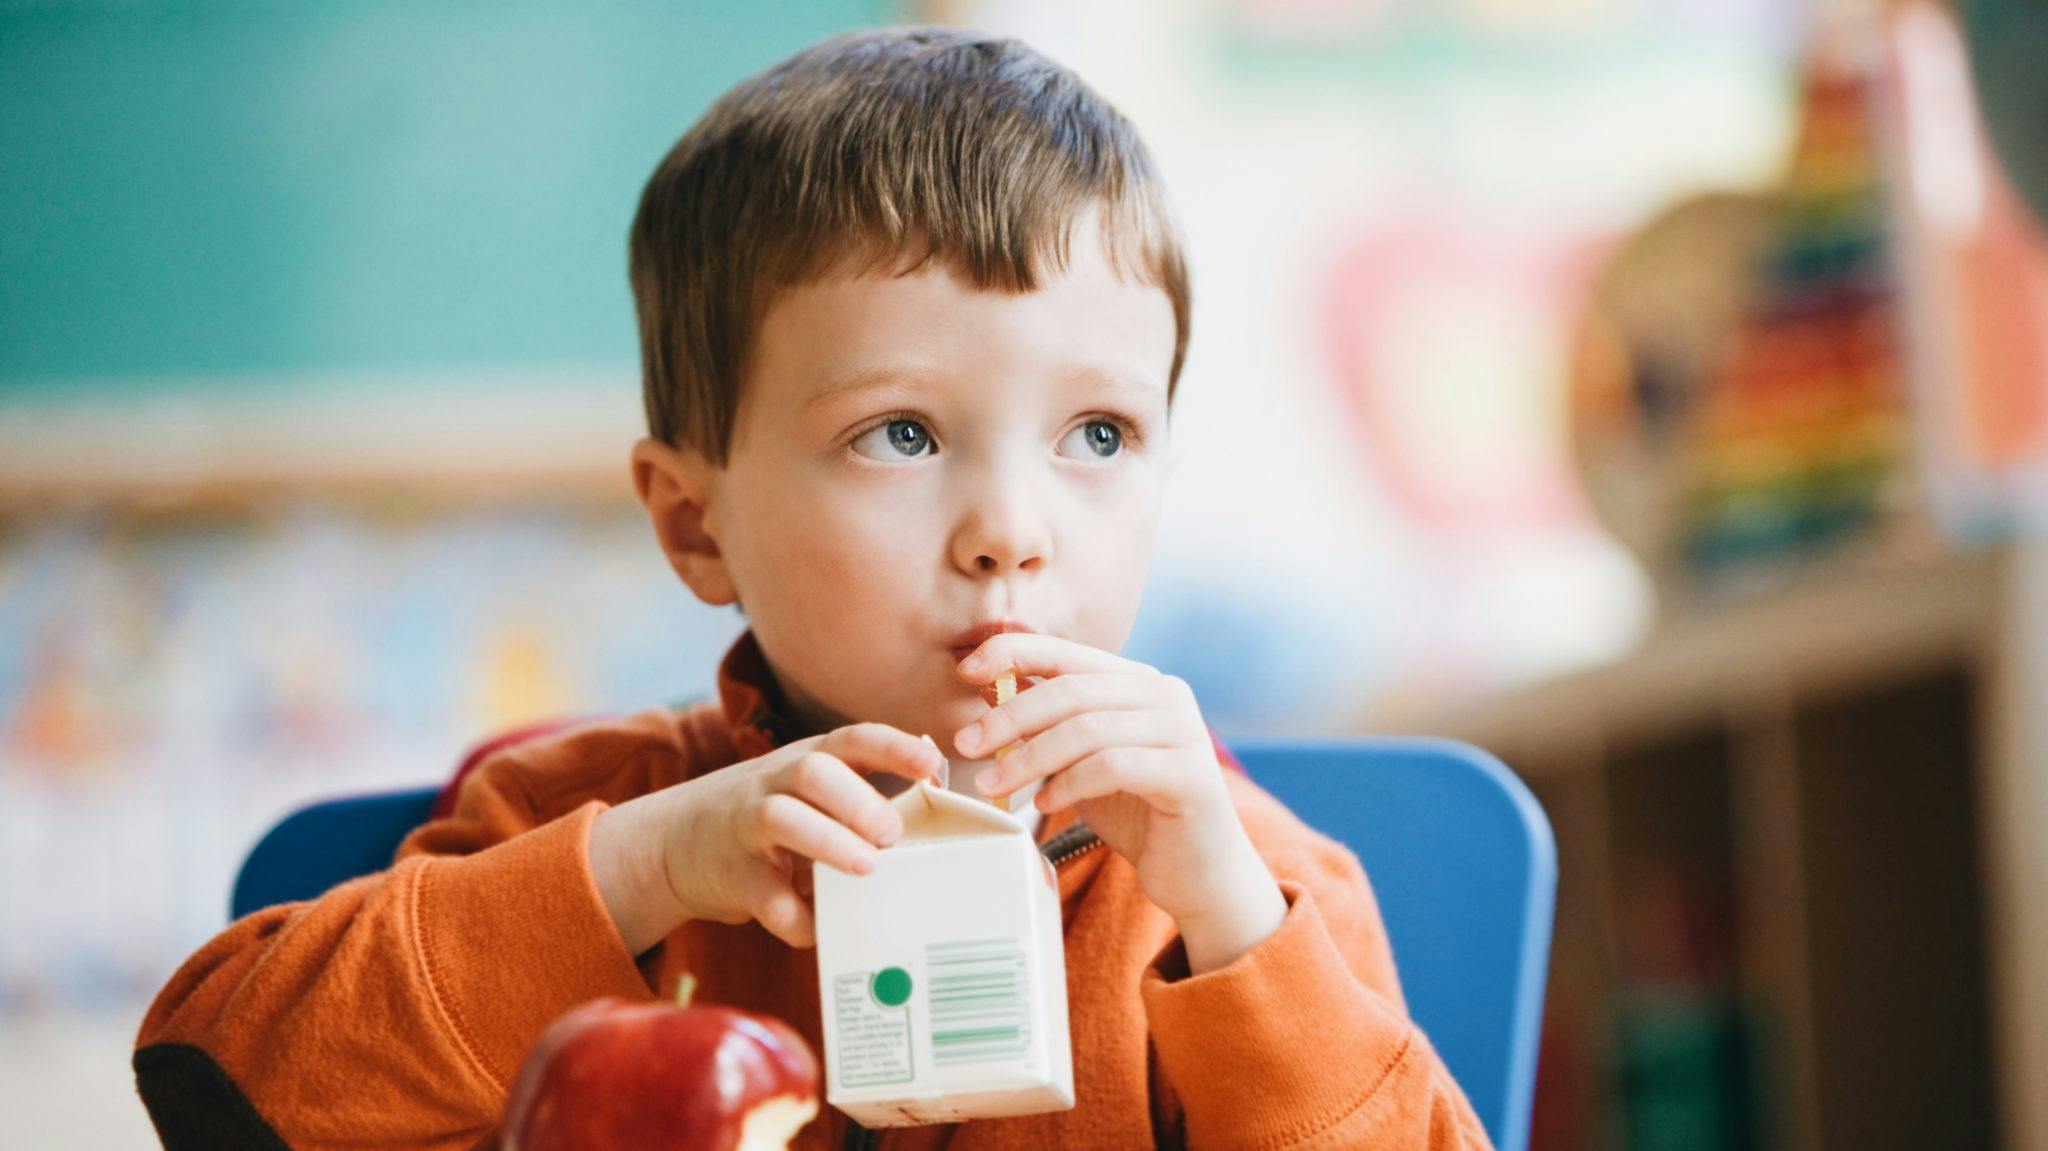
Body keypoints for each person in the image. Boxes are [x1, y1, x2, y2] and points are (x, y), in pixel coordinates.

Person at [135, 26, 1494, 1150]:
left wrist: (1235, 931)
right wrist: (640, 871)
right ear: (695, 523)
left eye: (1098, 435)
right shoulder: (577, 822)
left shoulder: (1252, 887)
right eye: (901, 434)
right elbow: (218, 1084)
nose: (1011, 533)